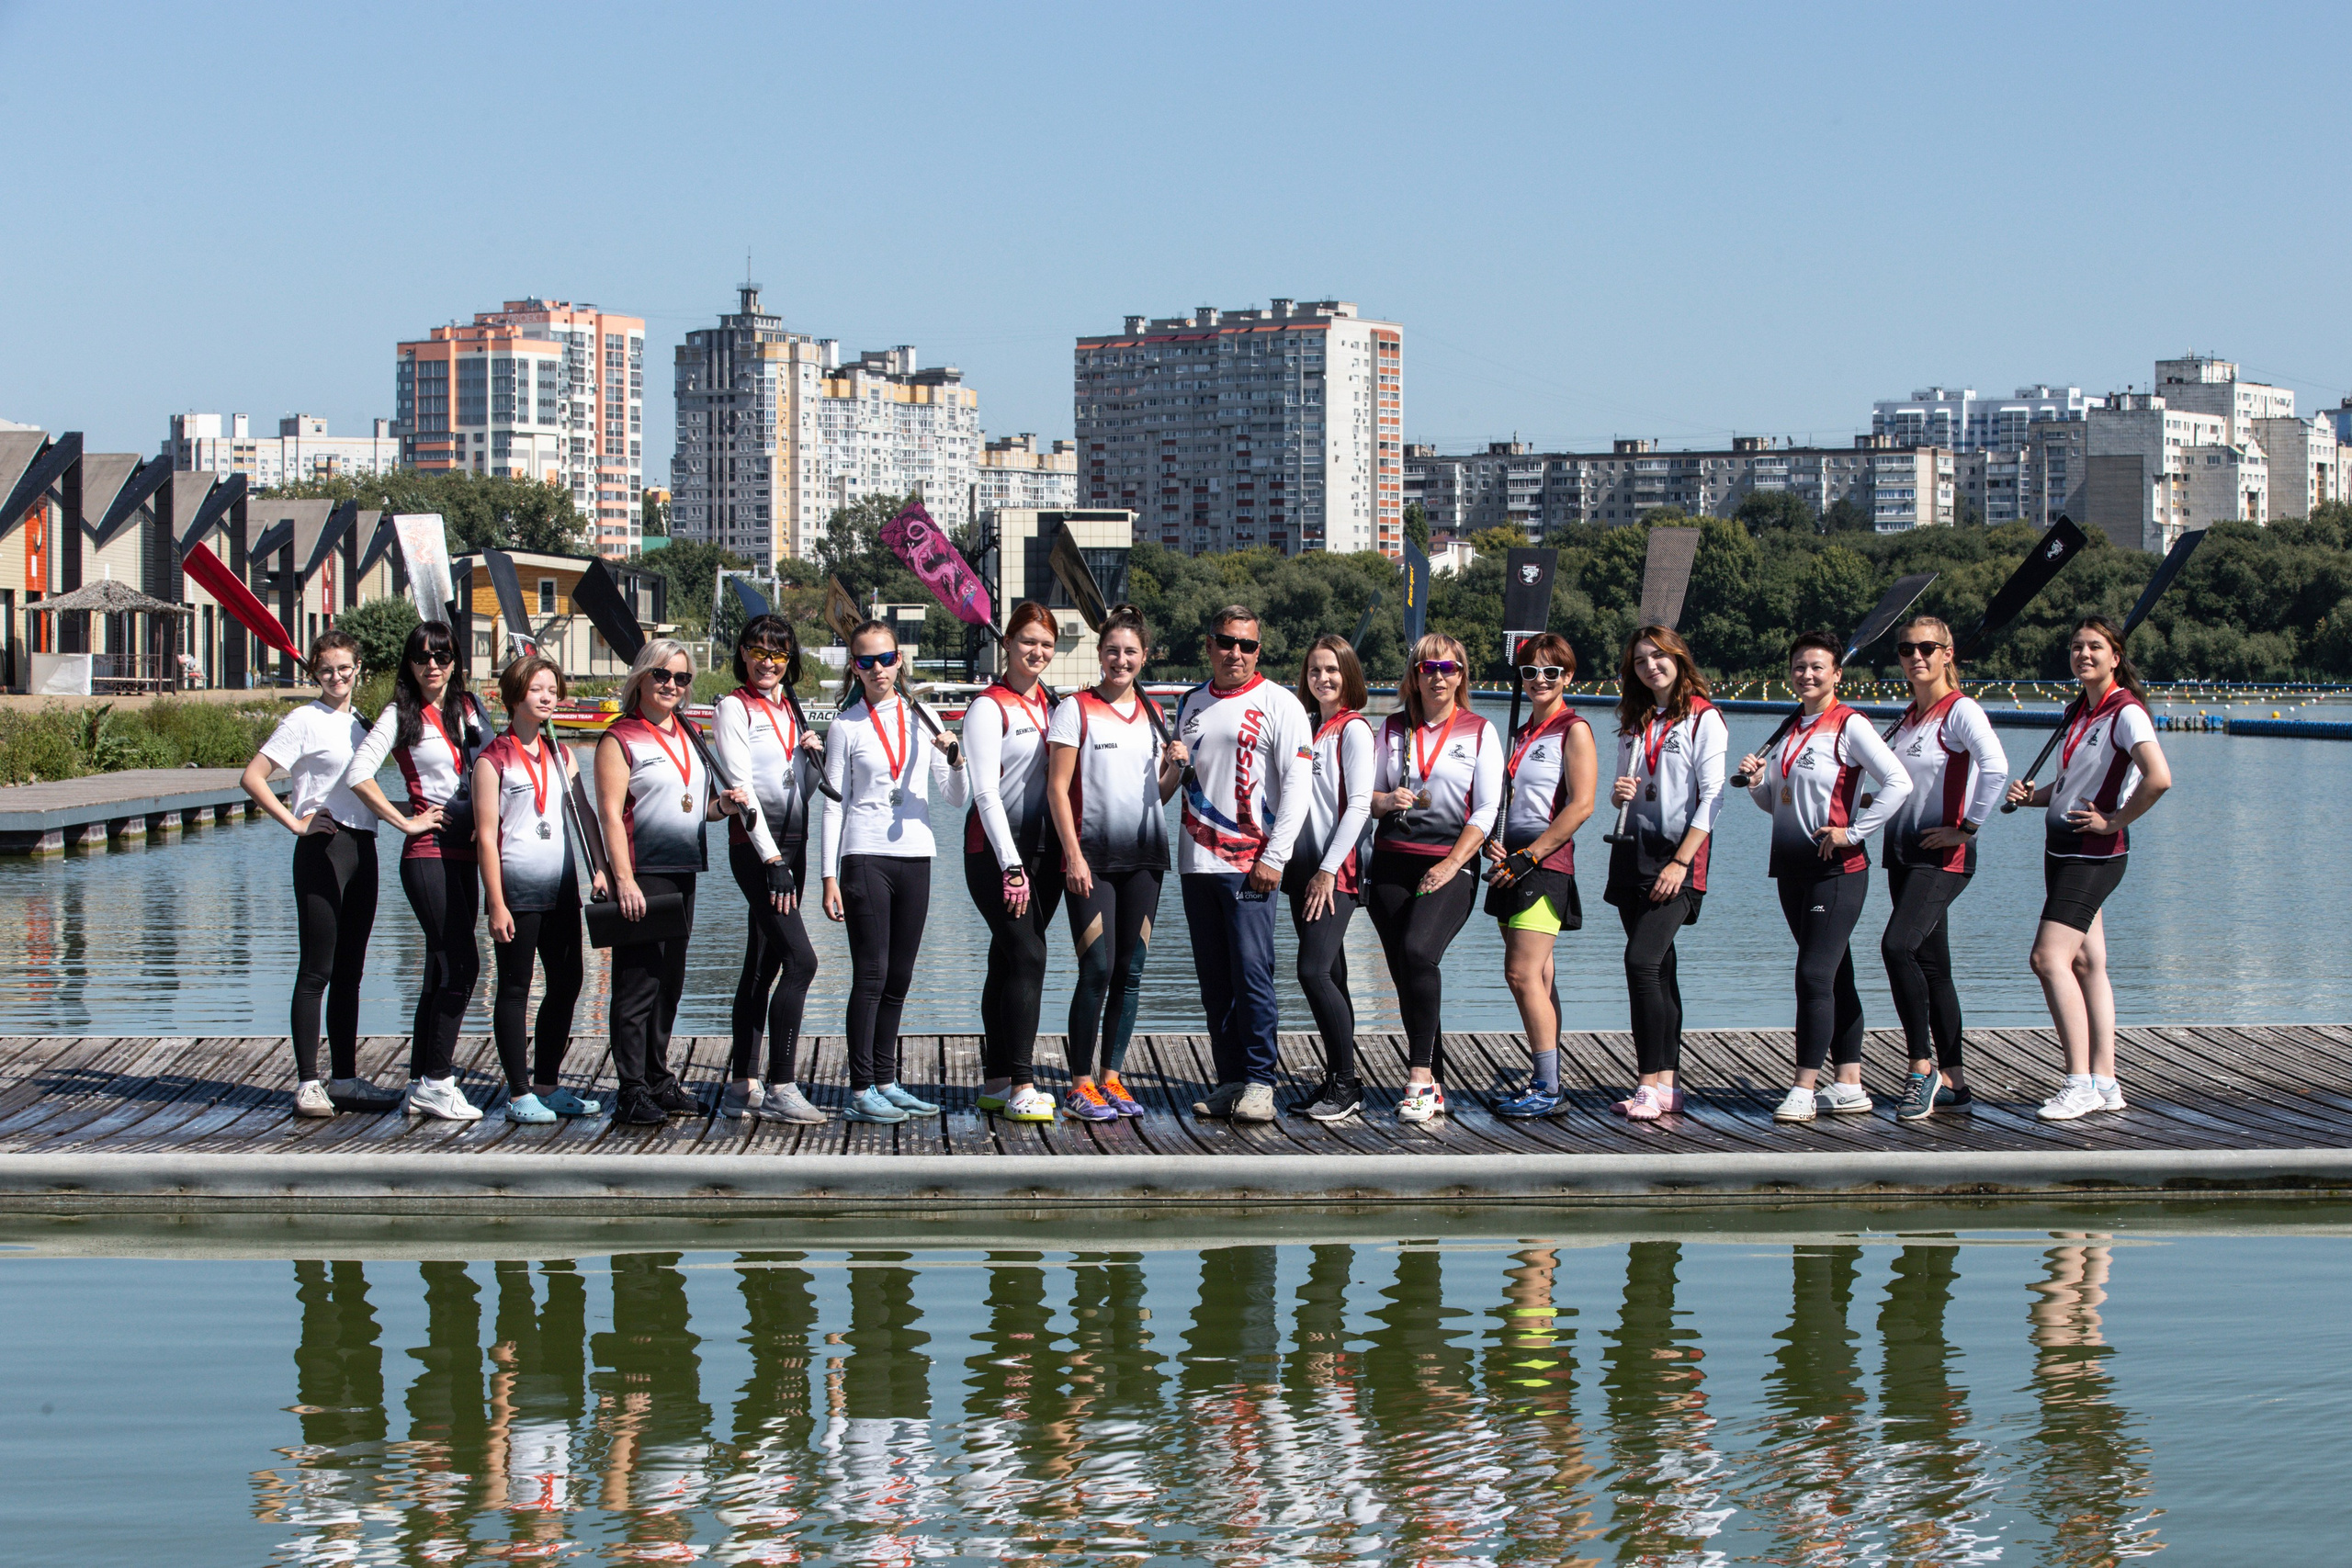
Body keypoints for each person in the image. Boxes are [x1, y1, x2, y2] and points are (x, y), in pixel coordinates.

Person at [1735, 631, 1911, 1123]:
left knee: (1812, 975)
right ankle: (1849, 1084)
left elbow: (1899, 782)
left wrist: (1855, 833)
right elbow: (1780, 804)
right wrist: (1757, 783)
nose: (1807, 675)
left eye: (1817, 667)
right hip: (1791, 869)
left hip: (1837, 871)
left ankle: (1803, 1087)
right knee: (1835, 974)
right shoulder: (1792, 728)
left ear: (1837, 673)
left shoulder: (1849, 725)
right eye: (1799, 667)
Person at [2005, 615, 2171, 1122]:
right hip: (2062, 852)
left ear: (2115, 657)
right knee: (2086, 964)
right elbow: (2071, 786)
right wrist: (2033, 798)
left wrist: (2115, 820)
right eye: (2076, 647)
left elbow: (2159, 778)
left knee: (2047, 959)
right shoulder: (2079, 711)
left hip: (2092, 856)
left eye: (2095, 647)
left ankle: (2077, 1083)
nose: (2084, 655)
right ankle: (2106, 1081)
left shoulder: (2126, 714)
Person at [240, 629, 401, 1119]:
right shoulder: (302, 720)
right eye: (327, 670)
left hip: (364, 847)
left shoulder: (362, 722)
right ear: (316, 673)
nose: (337, 677)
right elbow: (253, 777)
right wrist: (296, 823)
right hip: (322, 848)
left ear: (359, 671)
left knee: (351, 972)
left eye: (344, 668)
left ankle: (346, 1079)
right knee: (317, 970)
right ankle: (309, 1084)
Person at [596, 638, 752, 1125]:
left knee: (670, 983)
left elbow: (694, 810)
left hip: (684, 871)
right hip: (642, 874)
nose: (671, 685)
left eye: (682, 678)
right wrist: (623, 879)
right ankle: (630, 1090)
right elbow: (608, 817)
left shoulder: (688, 732)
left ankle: (659, 1079)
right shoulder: (618, 738)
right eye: (662, 675)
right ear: (641, 677)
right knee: (637, 984)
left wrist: (722, 808)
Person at [820, 619, 967, 1125]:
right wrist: (827, 876)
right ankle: (860, 1089)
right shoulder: (846, 726)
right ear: (854, 668)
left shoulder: (922, 717)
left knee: (900, 977)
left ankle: (886, 1080)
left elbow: (953, 797)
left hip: (917, 856)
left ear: (899, 660)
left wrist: (956, 759)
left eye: (885, 658)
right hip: (864, 858)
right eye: (865, 661)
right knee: (871, 975)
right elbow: (833, 806)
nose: (877, 669)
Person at [345, 621, 492, 1122]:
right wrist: (405, 820)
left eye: (443, 656)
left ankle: (419, 1079)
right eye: (423, 657)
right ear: (409, 663)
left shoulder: (469, 709)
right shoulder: (398, 714)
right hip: (426, 853)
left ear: (455, 660)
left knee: (439, 969)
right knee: (463, 965)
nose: (434, 666)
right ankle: (438, 1080)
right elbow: (357, 773)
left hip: (468, 853)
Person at [1172, 605, 1313, 1123]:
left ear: (1259, 649)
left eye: (1247, 645)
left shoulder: (1282, 703)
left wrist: (1275, 856)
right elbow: (1178, 785)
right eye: (1226, 642)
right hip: (1196, 862)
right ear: (1208, 645)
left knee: (1253, 973)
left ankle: (1261, 1081)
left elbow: (1298, 788)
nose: (1236, 653)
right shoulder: (1190, 704)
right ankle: (1230, 1076)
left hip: (1252, 862)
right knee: (1214, 979)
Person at [1044, 604, 1183, 1122]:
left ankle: (1112, 1077)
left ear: (1143, 657)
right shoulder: (1074, 709)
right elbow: (1057, 789)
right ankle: (1079, 1082)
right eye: (1111, 651)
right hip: (1091, 861)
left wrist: (1172, 768)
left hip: (1145, 858)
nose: (1120, 660)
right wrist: (1073, 856)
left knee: (1131, 970)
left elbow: (1157, 796)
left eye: (1129, 652)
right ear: (1099, 655)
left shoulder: (1153, 716)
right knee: (1096, 968)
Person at [1366, 632, 1504, 1124]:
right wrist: (1385, 802)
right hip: (1390, 863)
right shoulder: (1391, 728)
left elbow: (1488, 808)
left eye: (1449, 668)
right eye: (1429, 668)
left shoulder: (1479, 730)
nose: (1439, 677)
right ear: (1415, 675)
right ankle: (1436, 1082)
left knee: (1419, 952)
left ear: (1462, 675)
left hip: (1452, 862)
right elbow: (1369, 797)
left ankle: (1419, 1079)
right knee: (1407, 975)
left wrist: (1452, 864)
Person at [1880, 615, 2009, 1122]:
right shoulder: (1908, 718)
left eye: (1928, 647)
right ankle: (1955, 1082)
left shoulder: (1961, 712)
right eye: (1907, 649)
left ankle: (1920, 1067)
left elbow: (1995, 767)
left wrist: (1968, 827)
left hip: (1944, 856)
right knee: (1934, 968)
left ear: (1948, 653)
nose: (1917, 656)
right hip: (1904, 854)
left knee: (1896, 946)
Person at [473, 655, 605, 1123]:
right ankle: (518, 1093)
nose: (549, 697)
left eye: (553, 689)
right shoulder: (492, 759)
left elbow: (583, 813)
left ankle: (547, 1084)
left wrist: (600, 867)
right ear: (514, 697)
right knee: (514, 986)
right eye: (537, 690)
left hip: (562, 887)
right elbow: (487, 836)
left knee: (568, 981)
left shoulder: (561, 753)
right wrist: (495, 903)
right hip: (516, 888)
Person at [1603, 626, 1724, 1121]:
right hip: (1632, 854)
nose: (1651, 666)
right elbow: (1620, 791)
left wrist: (1681, 861)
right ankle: (1666, 1086)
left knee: (1642, 963)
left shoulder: (1704, 718)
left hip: (1677, 860)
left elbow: (1713, 796)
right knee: (1659, 972)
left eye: (1658, 657)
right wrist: (1618, 795)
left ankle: (1648, 1084)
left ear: (1678, 658)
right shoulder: (1635, 720)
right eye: (1639, 661)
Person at [712, 615, 828, 1125]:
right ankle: (781, 1084)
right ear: (742, 654)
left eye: (777, 653)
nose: (767, 661)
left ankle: (742, 1083)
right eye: (757, 651)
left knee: (762, 964)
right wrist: (772, 859)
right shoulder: (733, 707)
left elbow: (799, 793)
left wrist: (808, 759)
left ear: (789, 661)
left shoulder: (788, 709)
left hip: (794, 845)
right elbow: (741, 792)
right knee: (802, 962)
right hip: (761, 852)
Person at [1485, 633, 1598, 1117]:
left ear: (1568, 677)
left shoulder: (1575, 730)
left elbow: (1582, 805)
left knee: (1521, 973)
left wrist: (1529, 855)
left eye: (1551, 672)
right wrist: (1498, 840)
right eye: (1530, 672)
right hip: (1510, 864)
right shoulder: (1523, 731)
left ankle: (1549, 1090)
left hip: (1542, 867)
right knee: (1542, 978)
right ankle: (1547, 1079)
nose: (1539, 680)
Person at [962, 603, 1065, 1125]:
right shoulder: (987, 707)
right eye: (1028, 641)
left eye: (1046, 644)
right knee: (1029, 956)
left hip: (1046, 850)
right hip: (996, 853)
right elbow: (983, 792)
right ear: (1007, 643)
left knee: (1007, 957)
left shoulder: (1054, 704)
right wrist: (1010, 865)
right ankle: (1024, 1084)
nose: (1037, 652)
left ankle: (998, 1079)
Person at [1285, 635, 1375, 1122]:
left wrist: (1326, 869)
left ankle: (1347, 1084)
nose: (1323, 678)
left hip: (1333, 873)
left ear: (1349, 676)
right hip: (1302, 870)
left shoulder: (1353, 729)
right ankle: (1335, 1079)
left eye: (1333, 670)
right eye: (1315, 670)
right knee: (1333, 976)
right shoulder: (1313, 730)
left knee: (1314, 971)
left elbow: (1360, 805)